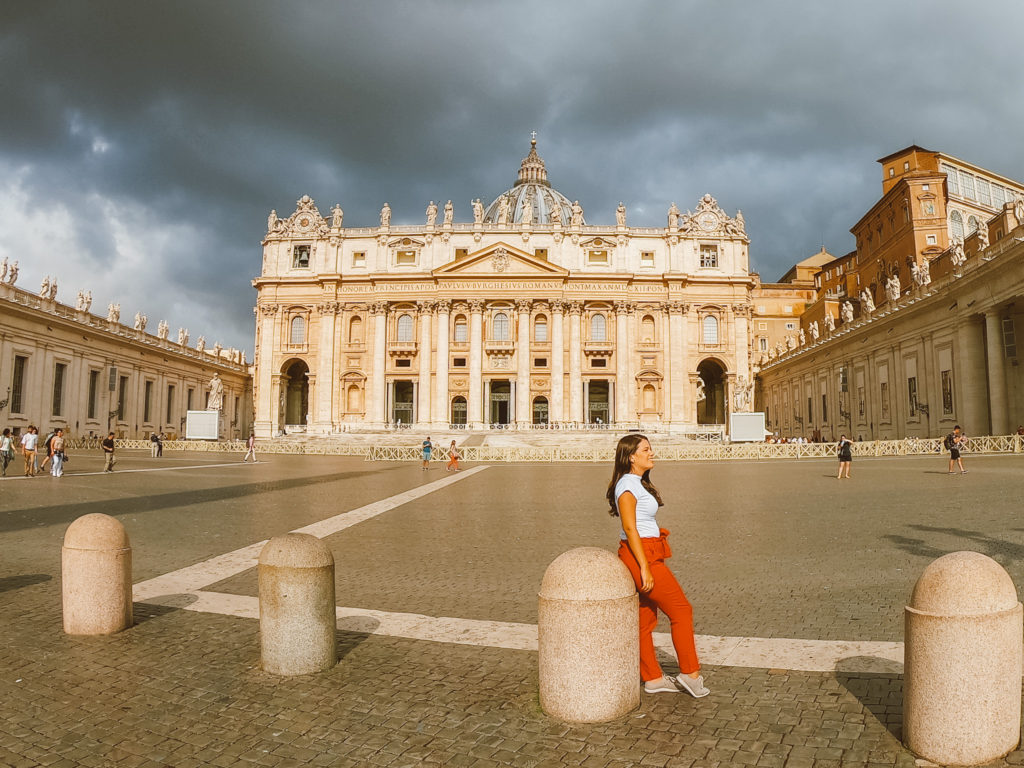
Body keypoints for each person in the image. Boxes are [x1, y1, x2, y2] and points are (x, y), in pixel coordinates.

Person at [606, 434, 709, 698]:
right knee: (681, 611)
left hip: (646, 550)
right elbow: (629, 527)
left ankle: (651, 677)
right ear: (632, 456)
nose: (652, 453)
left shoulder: (635, 482)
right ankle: (690, 673)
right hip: (642, 552)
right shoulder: (627, 486)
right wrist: (644, 567)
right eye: (646, 450)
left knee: (645, 619)